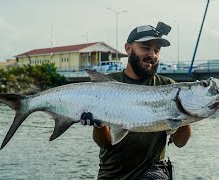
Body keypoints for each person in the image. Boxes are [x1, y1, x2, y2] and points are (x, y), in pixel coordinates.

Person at [81, 22, 191, 180]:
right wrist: (98, 125)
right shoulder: (108, 85)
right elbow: (105, 143)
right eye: (146, 48)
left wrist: (184, 112)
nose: (152, 55)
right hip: (111, 173)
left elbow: (180, 142)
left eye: (157, 50)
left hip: (152, 172)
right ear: (128, 48)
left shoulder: (168, 87)